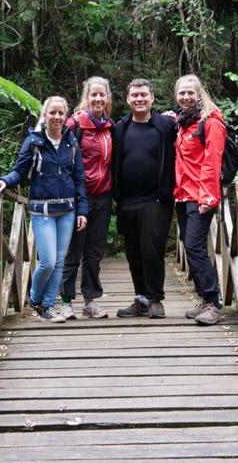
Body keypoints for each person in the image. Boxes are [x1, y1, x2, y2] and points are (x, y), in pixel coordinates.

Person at [0, 96, 88, 322]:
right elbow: (20, 170)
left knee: (60, 262)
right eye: (52, 112)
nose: (56, 117)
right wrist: (4, 180)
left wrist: (82, 210)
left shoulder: (71, 142)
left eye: (60, 113)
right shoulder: (34, 141)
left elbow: (79, 178)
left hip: (67, 210)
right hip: (42, 210)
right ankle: (35, 298)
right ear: (45, 115)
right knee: (48, 261)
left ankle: (47, 306)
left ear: (66, 116)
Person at [111, 78, 177, 318]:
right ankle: (140, 299)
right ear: (128, 99)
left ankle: (156, 300)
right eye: (134, 96)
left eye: (143, 95)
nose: (139, 99)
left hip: (156, 200)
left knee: (152, 250)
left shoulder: (166, 125)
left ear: (152, 99)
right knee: (133, 252)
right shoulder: (120, 127)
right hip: (127, 201)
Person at [173, 74, 227, 325]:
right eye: (181, 93)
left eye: (189, 93)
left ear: (199, 94)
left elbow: (212, 161)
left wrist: (208, 196)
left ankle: (214, 303)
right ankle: (205, 300)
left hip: (201, 196)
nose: (185, 97)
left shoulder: (211, 122)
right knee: (189, 243)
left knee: (194, 246)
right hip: (184, 195)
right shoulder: (185, 123)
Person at [59, 77, 114, 319]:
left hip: (103, 197)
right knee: (73, 250)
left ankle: (89, 301)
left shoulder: (110, 126)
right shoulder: (75, 125)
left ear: (108, 98)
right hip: (78, 198)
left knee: (94, 252)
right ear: (87, 97)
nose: (98, 99)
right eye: (94, 95)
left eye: (102, 95)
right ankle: (66, 301)